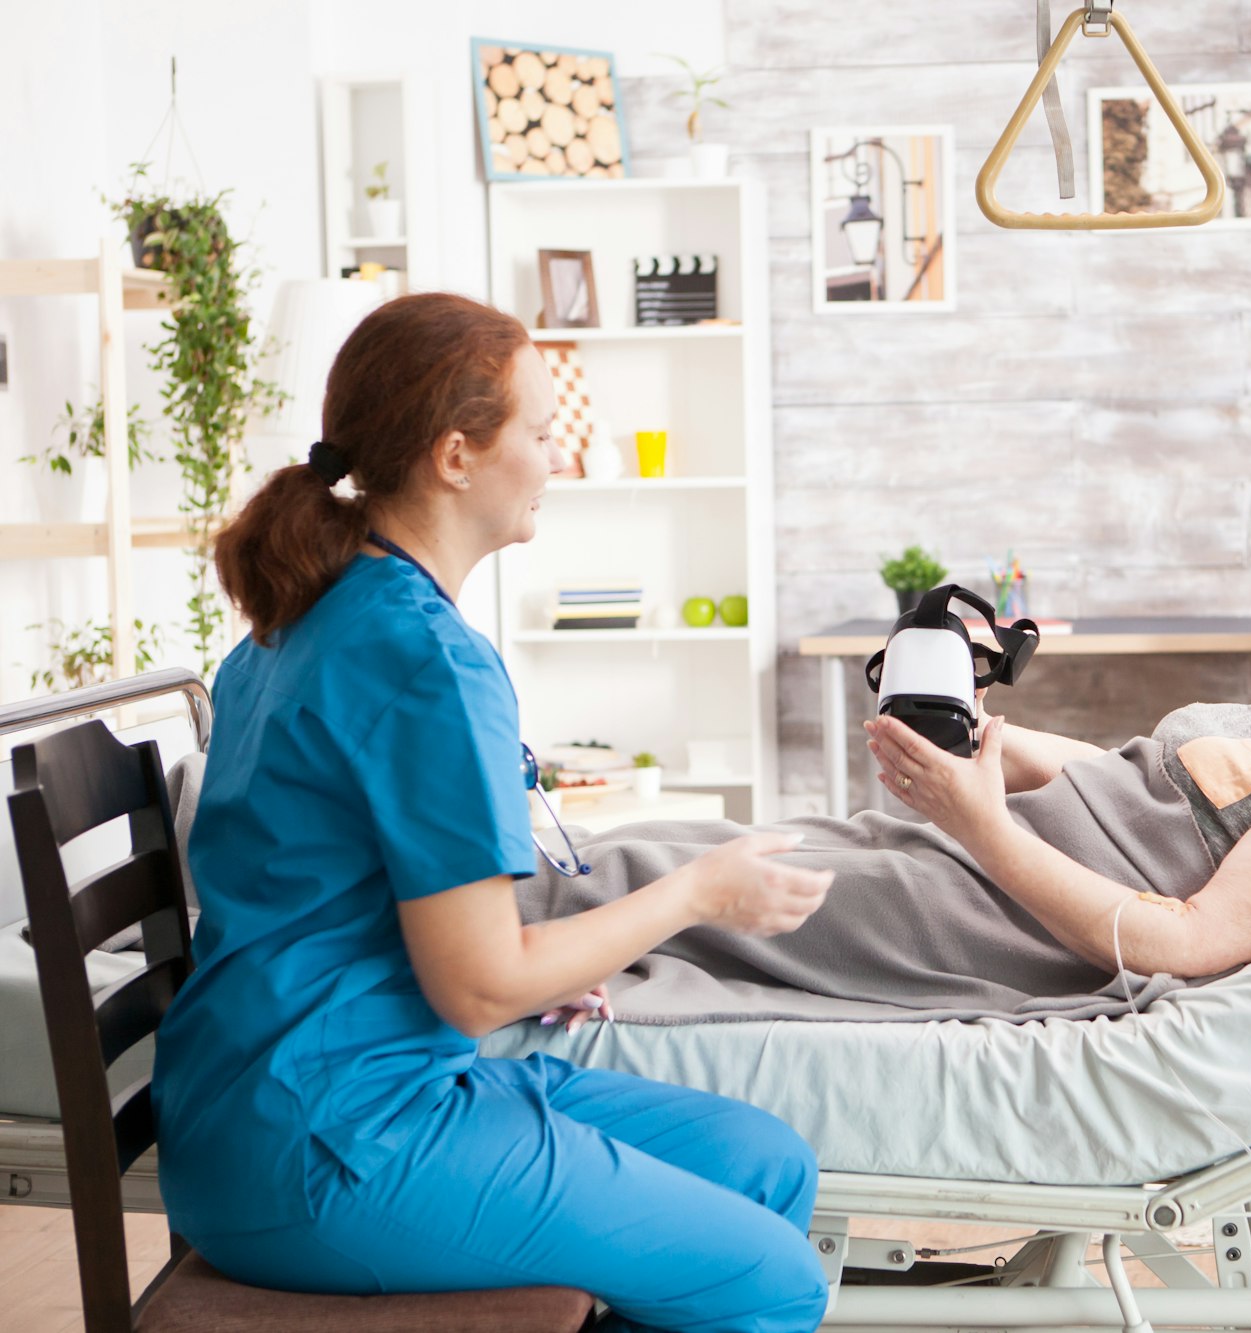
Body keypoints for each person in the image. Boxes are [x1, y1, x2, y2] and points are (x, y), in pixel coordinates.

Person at [151, 292, 834, 1333]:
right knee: (773, 1280)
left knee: (762, 1160)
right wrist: (700, 890)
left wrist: (546, 966)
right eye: (543, 433)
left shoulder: (295, 626)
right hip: (335, 1138)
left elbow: (344, 903)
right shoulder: (426, 659)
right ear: (455, 456)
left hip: (255, 1107)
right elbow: (477, 986)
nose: (556, 460)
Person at [516, 511, 1251, 1023]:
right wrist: (982, 744)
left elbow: (1187, 942)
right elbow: (1136, 777)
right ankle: (439, 925)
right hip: (972, 849)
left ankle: (412, 963)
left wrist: (978, 826)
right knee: (683, 846)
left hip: (996, 913)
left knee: (659, 887)